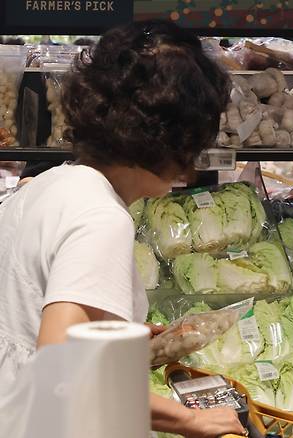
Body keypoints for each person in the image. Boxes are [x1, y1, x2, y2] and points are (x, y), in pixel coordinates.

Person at [0, 21, 245, 437]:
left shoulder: (51, 184)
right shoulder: (101, 218)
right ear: (178, 138)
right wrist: (190, 419)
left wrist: (118, 331)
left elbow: (31, 311)